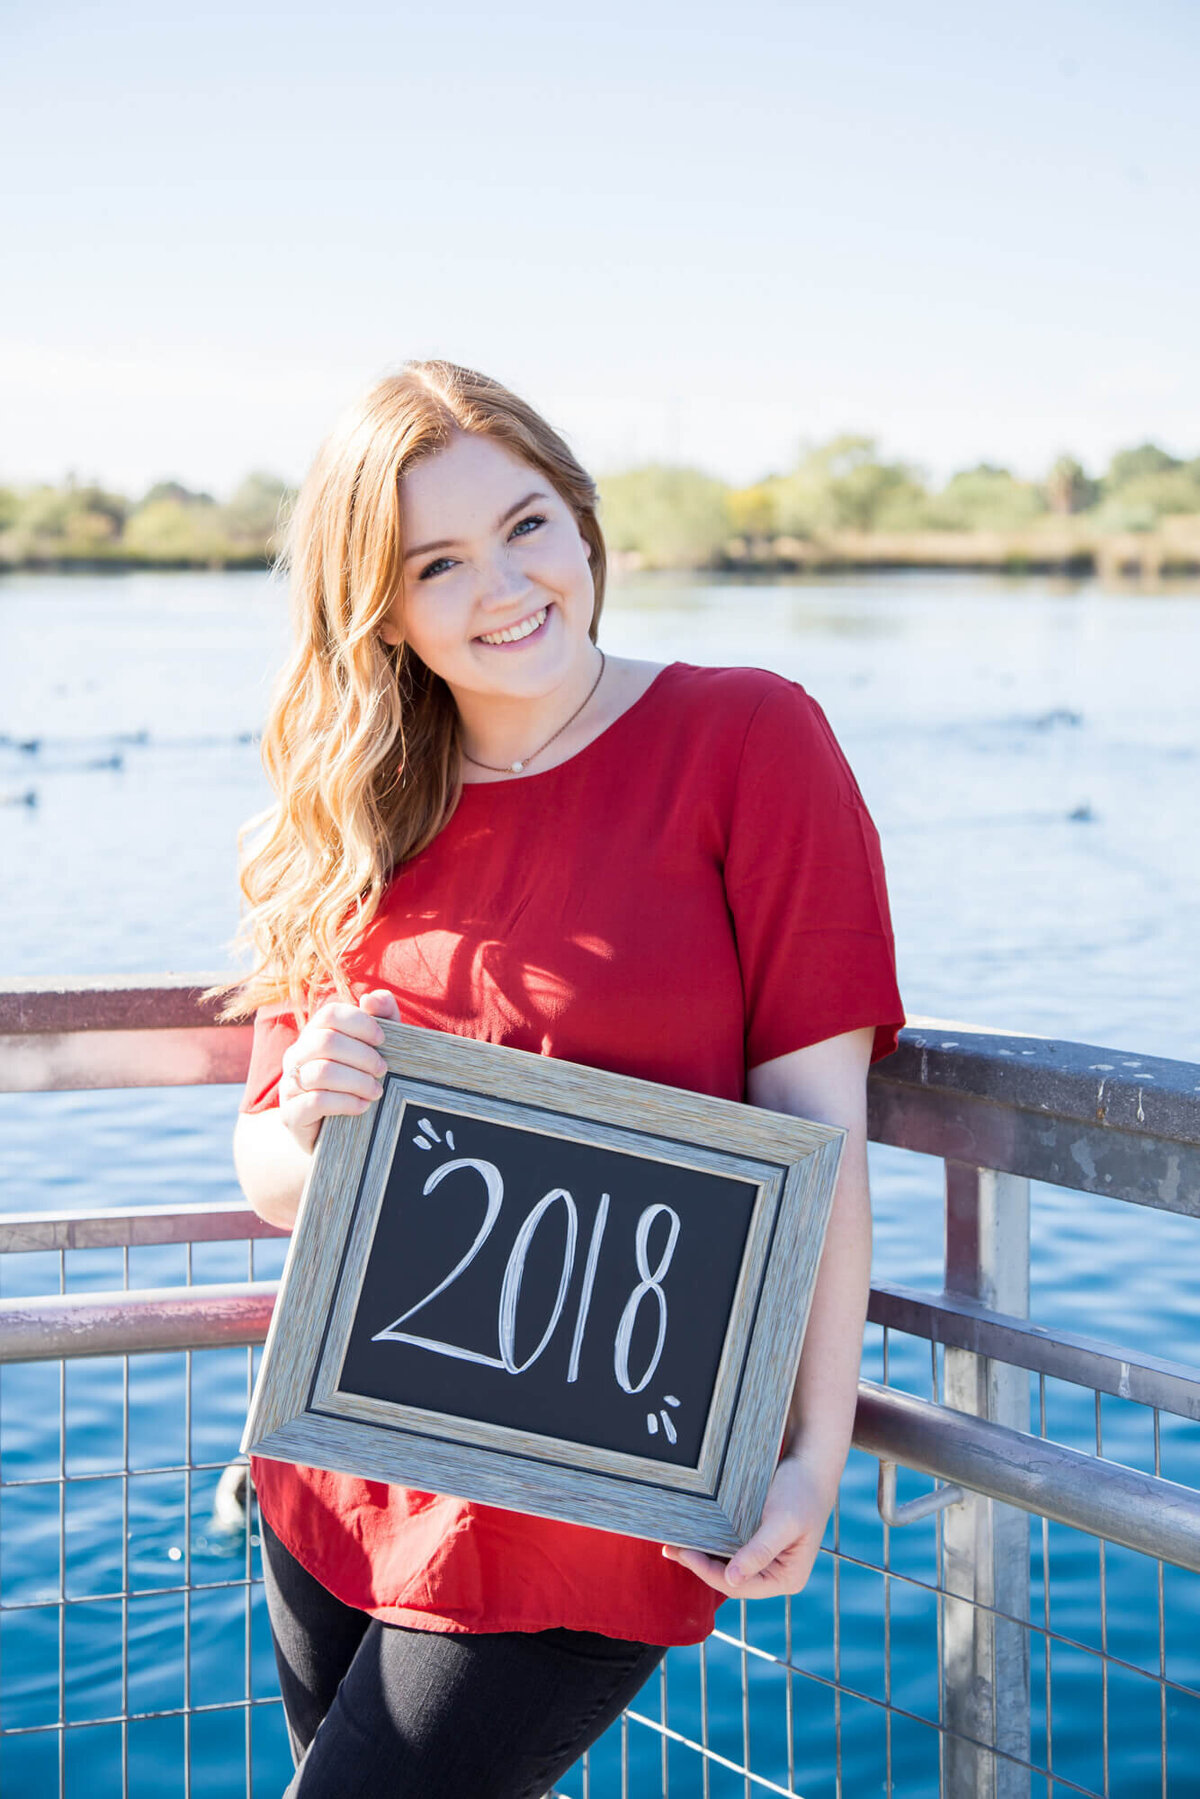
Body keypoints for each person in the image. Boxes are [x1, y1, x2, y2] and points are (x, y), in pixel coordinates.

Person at [220, 359, 904, 1798]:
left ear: (584, 525)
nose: (507, 583)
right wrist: (313, 1113)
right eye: (439, 562)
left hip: (604, 1501)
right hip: (343, 1470)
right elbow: (273, 1178)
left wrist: (813, 1455)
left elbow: (815, 1131)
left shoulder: (747, 739)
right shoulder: (356, 812)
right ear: (382, 610)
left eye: (529, 524)